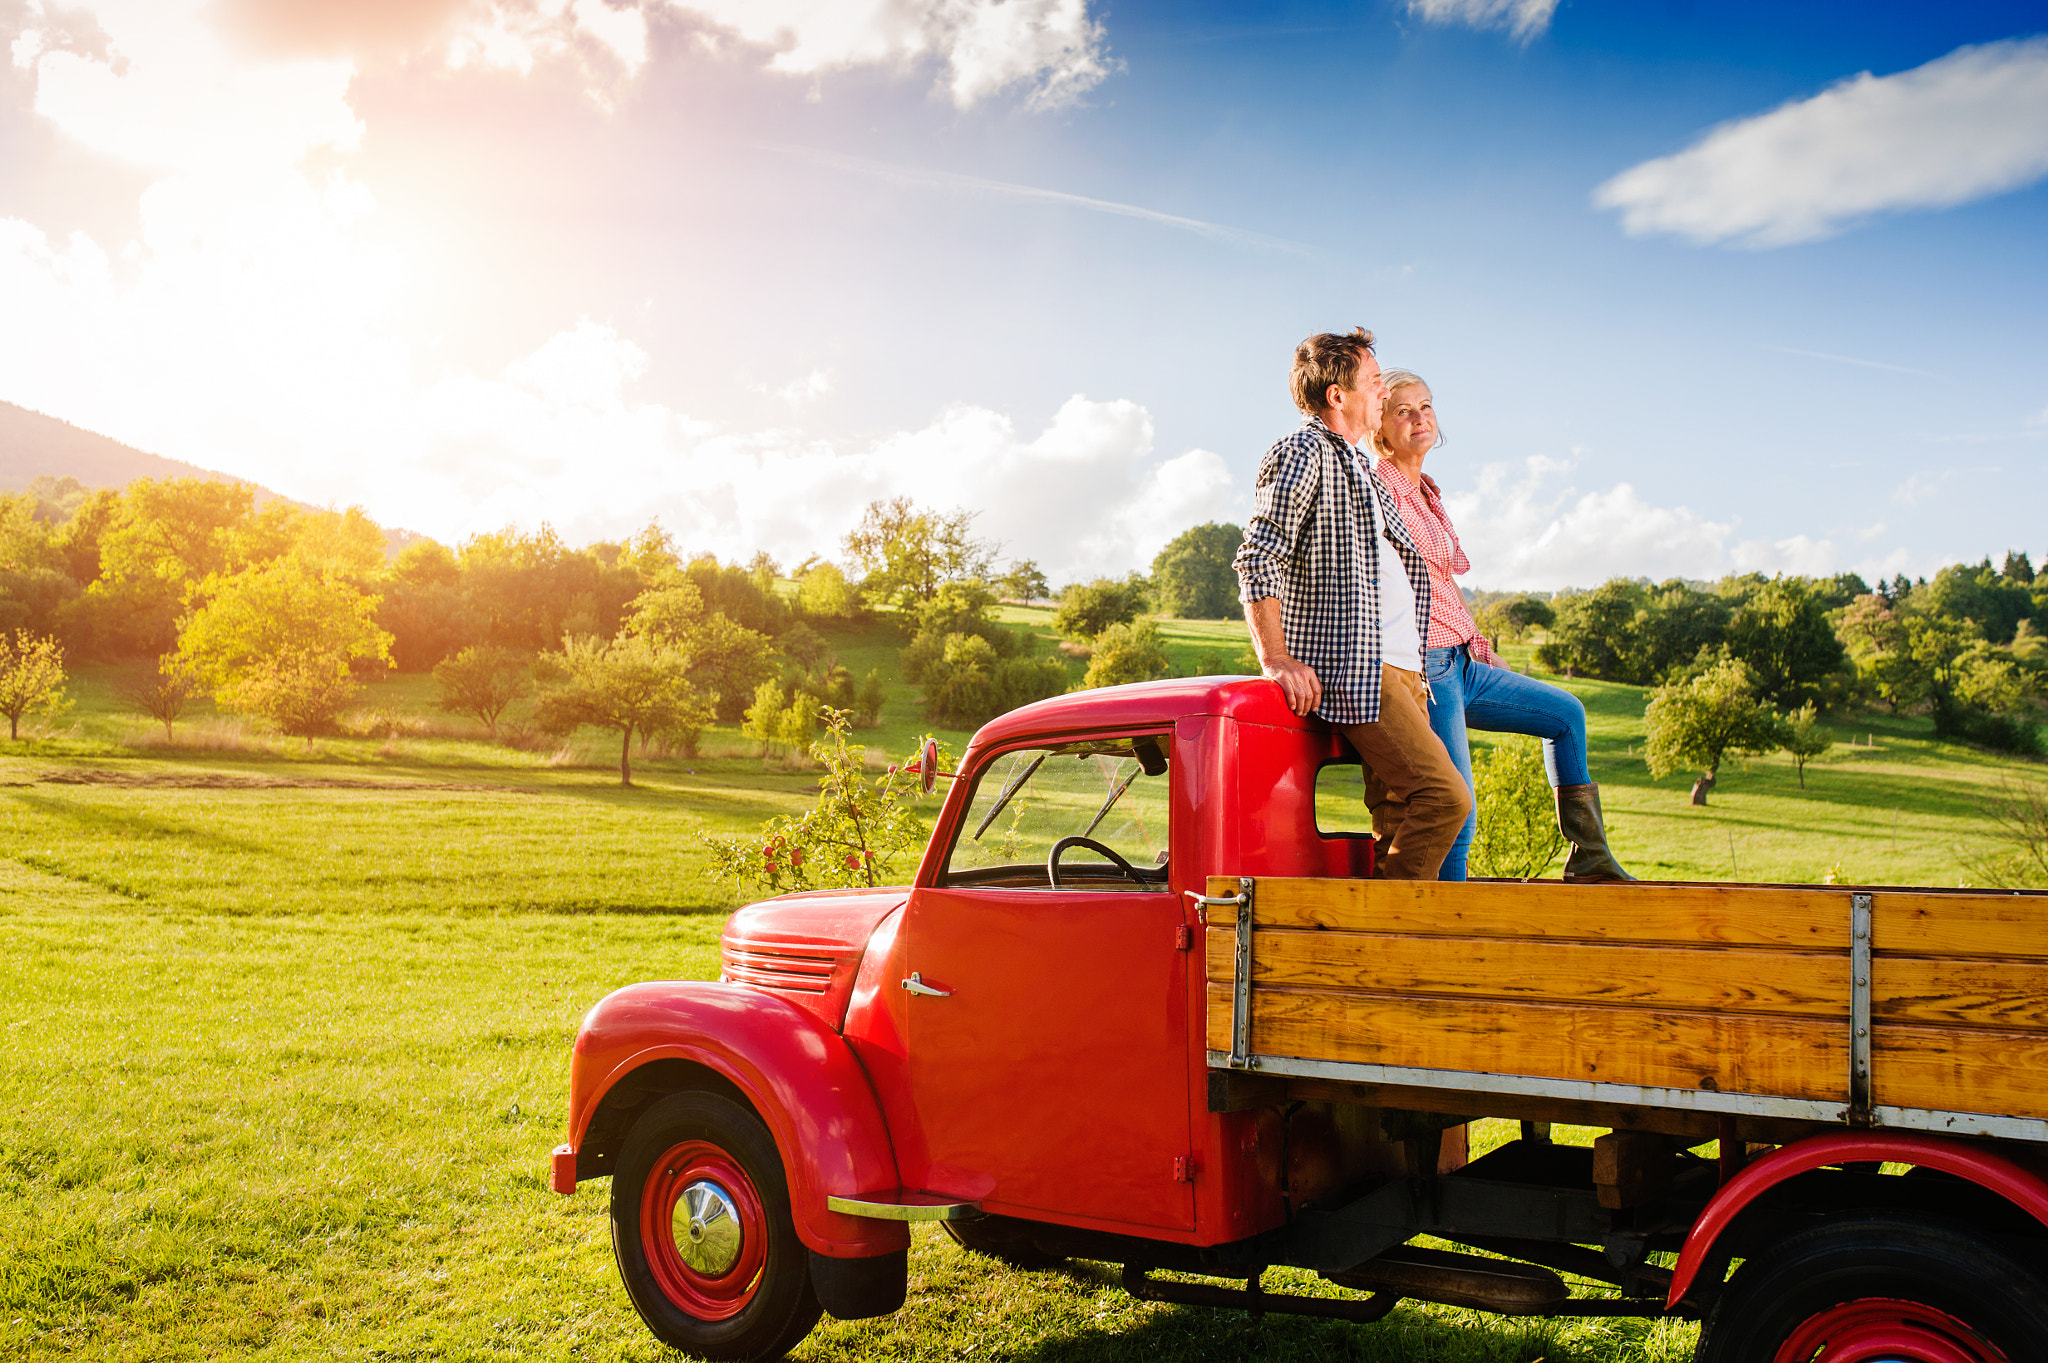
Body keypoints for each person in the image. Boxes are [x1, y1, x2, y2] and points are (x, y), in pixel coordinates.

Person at [1369, 368, 1633, 883]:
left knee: (1566, 716)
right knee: (1457, 813)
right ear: (1379, 426)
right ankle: (1450, 930)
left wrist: (1483, 649)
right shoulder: (1380, 488)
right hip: (1427, 668)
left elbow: (1443, 583)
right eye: (1404, 410)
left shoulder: (1427, 492)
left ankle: (1590, 860)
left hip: (1463, 662)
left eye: (1426, 406)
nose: (1420, 417)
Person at [1233, 330, 1472, 880]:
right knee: (1445, 799)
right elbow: (1259, 554)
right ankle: (1391, 938)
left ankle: (1390, 955)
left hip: (1408, 670)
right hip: (1362, 667)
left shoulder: (1364, 469)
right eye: (1371, 382)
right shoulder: (1302, 452)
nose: (1382, 392)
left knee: (1397, 816)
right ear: (1337, 395)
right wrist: (1275, 657)